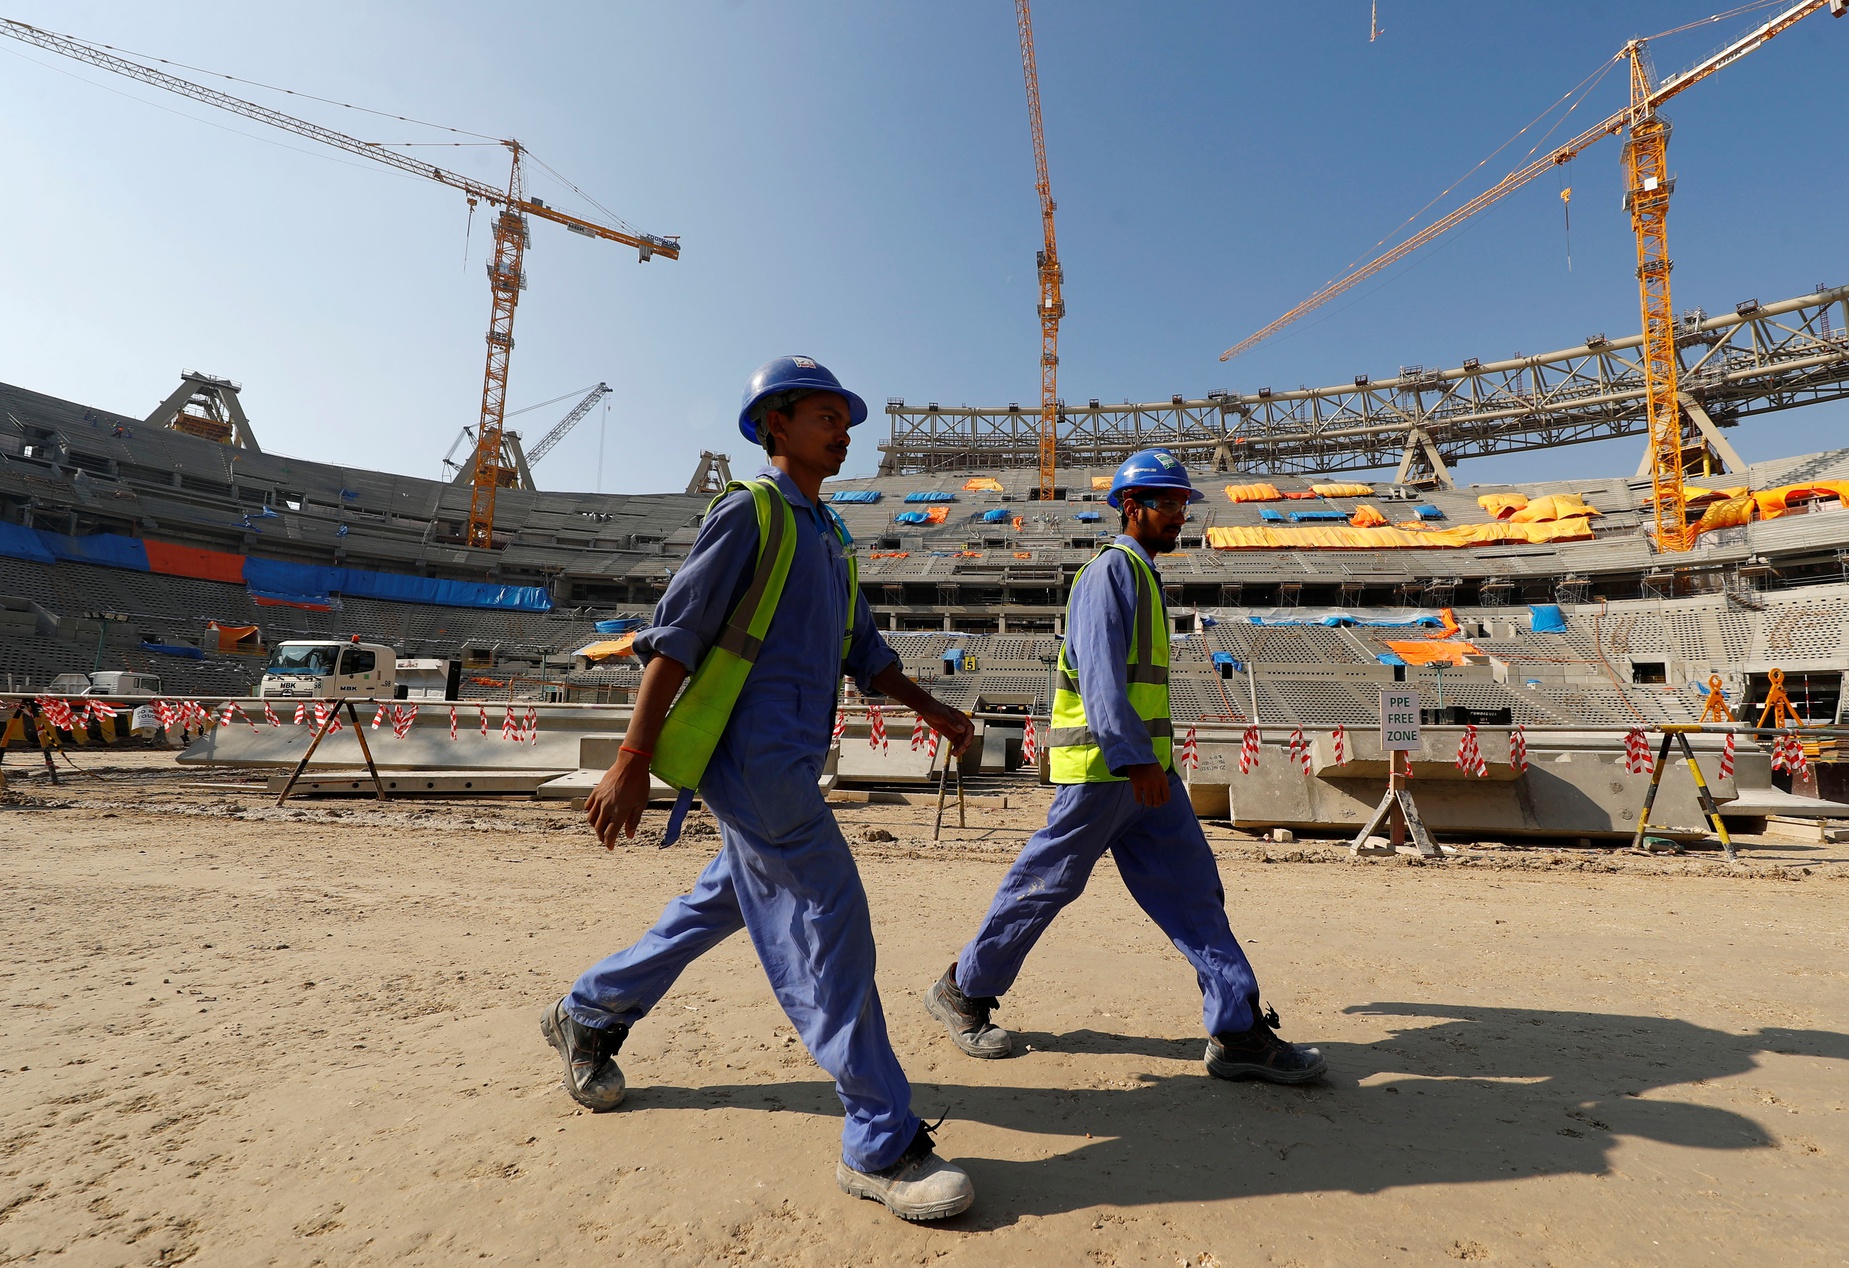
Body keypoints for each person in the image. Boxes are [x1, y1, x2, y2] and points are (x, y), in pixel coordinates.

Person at [543, 356, 979, 1221]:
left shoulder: (832, 535)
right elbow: (677, 636)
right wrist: (633, 756)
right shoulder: (752, 513)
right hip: (752, 760)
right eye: (825, 415)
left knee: (723, 899)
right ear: (775, 424)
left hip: (786, 761)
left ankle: (588, 1011)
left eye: (846, 417)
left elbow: (868, 656)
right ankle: (880, 1138)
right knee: (832, 918)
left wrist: (938, 711)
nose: (843, 429)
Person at [925, 448, 1327, 1084]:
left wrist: (1149, 766)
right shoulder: (1109, 574)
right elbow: (1102, 679)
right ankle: (962, 989)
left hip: (1146, 779)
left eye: (1181, 505)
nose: (1178, 516)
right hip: (1105, 773)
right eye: (1166, 504)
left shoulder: (1142, 576)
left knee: (1196, 896)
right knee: (1045, 884)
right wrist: (1133, 757)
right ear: (1131, 507)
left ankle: (1238, 1032)